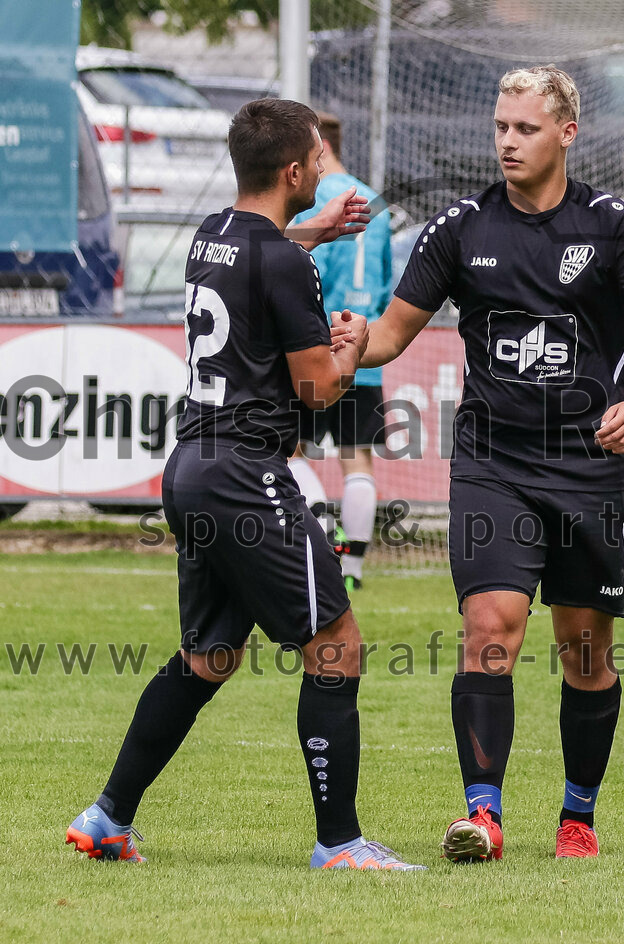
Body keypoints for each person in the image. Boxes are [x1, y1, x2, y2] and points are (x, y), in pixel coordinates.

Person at [344, 65, 624, 861]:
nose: (508, 141)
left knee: (583, 649)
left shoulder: (609, 225)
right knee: (488, 629)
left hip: (589, 470)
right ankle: (484, 814)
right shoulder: (459, 228)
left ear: (565, 133)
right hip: (492, 465)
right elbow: (394, 333)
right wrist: (349, 338)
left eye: (525, 128)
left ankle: (577, 815)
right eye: (500, 126)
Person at [66, 98, 424, 872]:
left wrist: (312, 235)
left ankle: (106, 818)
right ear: (294, 172)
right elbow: (319, 394)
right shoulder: (286, 263)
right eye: (317, 167)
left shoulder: (211, 235)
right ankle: (339, 844)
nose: (324, 177)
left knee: (210, 655)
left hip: (191, 467)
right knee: (336, 644)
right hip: (245, 475)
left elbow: (260, 250)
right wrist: (351, 347)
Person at [289, 112, 393, 592]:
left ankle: (322, 540)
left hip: (314, 349)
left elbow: (303, 271)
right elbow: (389, 285)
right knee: (358, 462)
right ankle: (353, 567)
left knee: (290, 453)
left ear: (319, 148)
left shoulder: (317, 202)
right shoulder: (377, 202)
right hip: (363, 353)